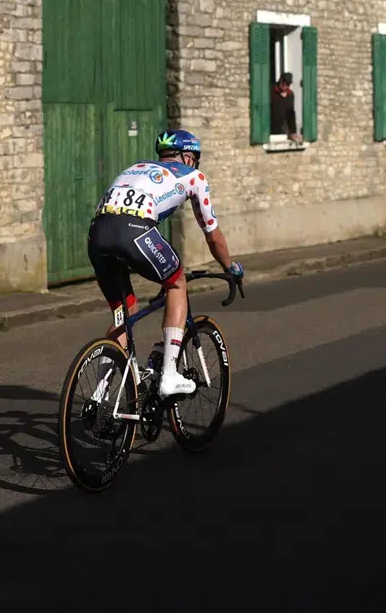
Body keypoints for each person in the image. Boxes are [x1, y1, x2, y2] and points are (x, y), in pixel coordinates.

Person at [86, 129, 243, 398]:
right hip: (134, 229)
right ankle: (169, 374)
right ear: (187, 157)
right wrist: (230, 267)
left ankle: (98, 399)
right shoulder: (193, 176)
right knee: (176, 282)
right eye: (195, 158)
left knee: (124, 314)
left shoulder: (136, 168)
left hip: (97, 234)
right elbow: (213, 235)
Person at [271, 72, 303, 142]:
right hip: (271, 125)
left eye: (287, 84)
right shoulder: (271, 91)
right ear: (280, 80)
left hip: (283, 127)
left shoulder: (290, 95)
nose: (285, 85)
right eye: (283, 82)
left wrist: (293, 131)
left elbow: (291, 113)